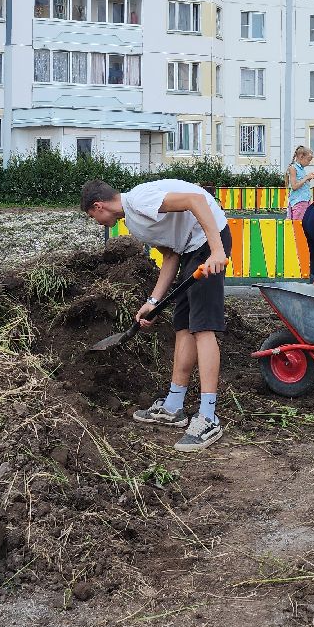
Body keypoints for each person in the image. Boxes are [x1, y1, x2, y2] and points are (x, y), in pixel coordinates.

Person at [81, 179, 230, 453]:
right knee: (183, 325)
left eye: (93, 217)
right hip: (190, 251)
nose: (97, 222)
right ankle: (174, 404)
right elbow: (171, 255)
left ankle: (208, 416)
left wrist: (217, 250)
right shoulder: (134, 222)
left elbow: (196, 201)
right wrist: (152, 301)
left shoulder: (138, 200)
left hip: (208, 243)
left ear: (99, 206)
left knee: (203, 328)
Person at [286, 146, 314, 222]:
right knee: (298, 225)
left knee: (303, 224)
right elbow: (294, 186)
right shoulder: (293, 168)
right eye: (308, 160)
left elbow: (302, 184)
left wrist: (308, 178)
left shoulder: (301, 169)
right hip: (299, 201)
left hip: (305, 200)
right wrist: (306, 177)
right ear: (301, 157)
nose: (309, 163)